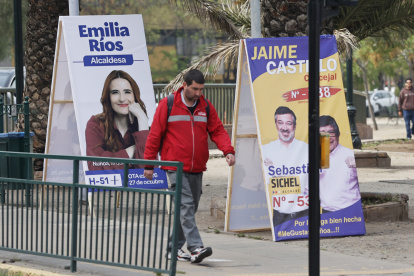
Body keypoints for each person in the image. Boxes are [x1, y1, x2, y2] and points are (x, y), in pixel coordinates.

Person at [143, 69, 235, 264]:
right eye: (195, 89)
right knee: (185, 205)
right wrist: (149, 164)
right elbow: (155, 135)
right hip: (175, 166)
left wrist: (228, 151)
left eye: (201, 89)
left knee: (187, 210)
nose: (198, 93)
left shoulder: (205, 106)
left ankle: (173, 249)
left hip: (197, 167)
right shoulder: (168, 104)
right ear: (184, 85)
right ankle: (195, 248)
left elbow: (217, 130)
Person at [85, 70, 150, 171]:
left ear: (135, 95)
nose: (122, 98)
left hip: (138, 187)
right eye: (115, 92)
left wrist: (142, 120)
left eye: (127, 92)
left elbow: (150, 172)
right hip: (109, 187)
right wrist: (133, 149)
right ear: (108, 96)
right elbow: (96, 167)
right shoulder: (95, 124)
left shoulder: (143, 126)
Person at [261, 106, 309, 228]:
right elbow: (266, 182)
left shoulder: (307, 148)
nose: (285, 128)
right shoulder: (266, 150)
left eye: (289, 123)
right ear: (276, 125)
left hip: (305, 211)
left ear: (295, 126)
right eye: (280, 123)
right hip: (279, 212)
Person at [319, 115, 361, 212]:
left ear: (338, 134)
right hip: (327, 213)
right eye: (322, 134)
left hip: (351, 212)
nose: (327, 138)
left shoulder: (350, 156)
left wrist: (357, 165)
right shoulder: (315, 157)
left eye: (331, 133)